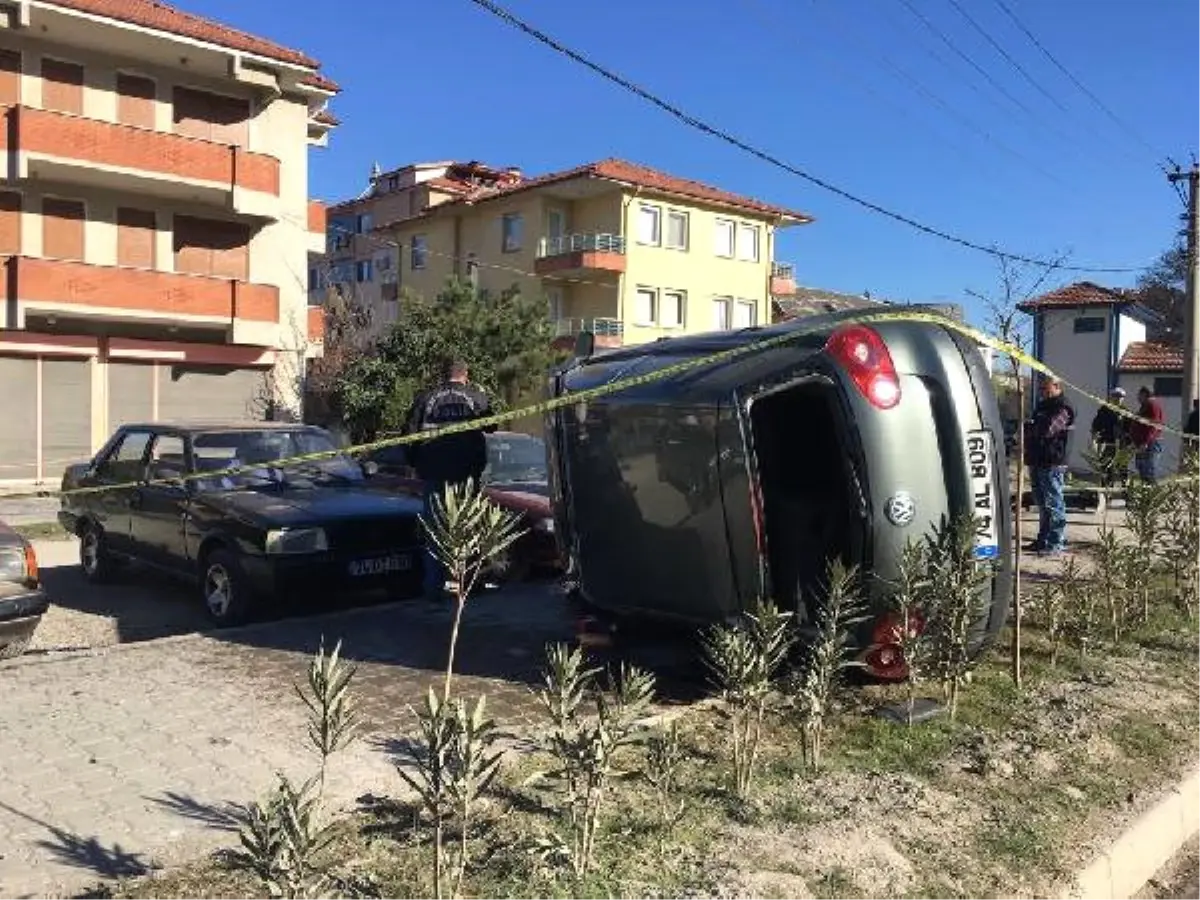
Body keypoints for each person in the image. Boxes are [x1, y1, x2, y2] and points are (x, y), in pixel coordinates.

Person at [403, 359, 496, 600]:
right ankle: (468, 587)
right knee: (469, 529)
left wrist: (415, 463)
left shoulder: (426, 398)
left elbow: (409, 435)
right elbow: (492, 425)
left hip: (434, 474)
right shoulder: (475, 396)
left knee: (435, 533)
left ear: (445, 376)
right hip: (466, 475)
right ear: (465, 375)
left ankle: (433, 590)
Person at [1024, 377, 1076, 556]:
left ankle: (1056, 542)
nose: (1043, 393)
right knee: (1042, 503)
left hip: (1053, 462)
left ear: (1057, 387)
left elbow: (1047, 430)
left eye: (1046, 389)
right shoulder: (1042, 406)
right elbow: (1031, 428)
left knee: (1054, 503)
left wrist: (1031, 428)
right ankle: (1043, 539)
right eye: (1041, 390)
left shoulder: (1063, 407)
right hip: (1037, 459)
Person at [1089, 387, 1129, 489]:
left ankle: (1125, 490)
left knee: (1122, 467)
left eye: (1120, 397)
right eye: (1115, 396)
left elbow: (1130, 428)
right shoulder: (1104, 409)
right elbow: (1095, 425)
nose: (1118, 399)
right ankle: (1107, 490)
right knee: (1106, 467)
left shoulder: (1126, 411)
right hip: (1106, 442)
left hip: (1121, 444)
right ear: (1111, 397)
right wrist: (1094, 438)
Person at [1128, 385, 1165, 484]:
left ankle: (1152, 496)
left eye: (1139, 395)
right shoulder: (1145, 406)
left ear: (1144, 394)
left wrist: (1145, 442)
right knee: (1142, 470)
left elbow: (1154, 425)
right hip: (1142, 444)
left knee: (1148, 471)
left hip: (1149, 444)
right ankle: (1145, 495)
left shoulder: (1152, 405)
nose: (1137, 398)